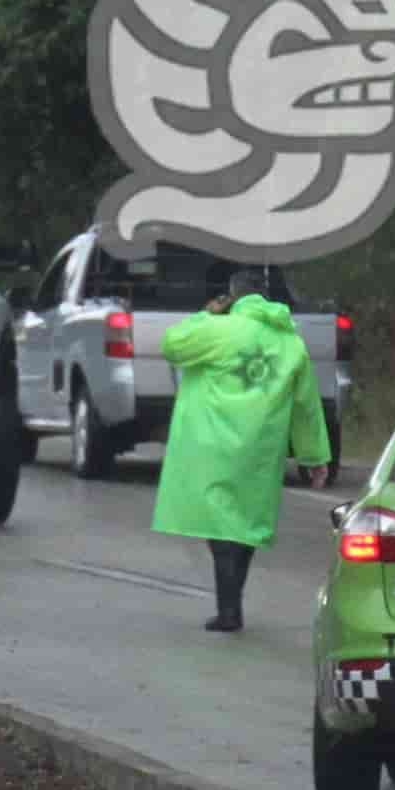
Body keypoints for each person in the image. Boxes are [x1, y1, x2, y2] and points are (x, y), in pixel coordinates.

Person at [153, 269, 332, 633]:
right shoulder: (290, 343)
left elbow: (172, 344)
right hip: (261, 447)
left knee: (220, 525)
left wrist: (206, 313)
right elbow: (306, 406)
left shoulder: (218, 330)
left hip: (214, 442)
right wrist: (314, 457)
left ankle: (228, 610)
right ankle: (232, 603)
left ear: (233, 296)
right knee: (246, 524)